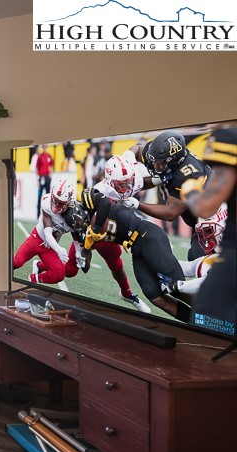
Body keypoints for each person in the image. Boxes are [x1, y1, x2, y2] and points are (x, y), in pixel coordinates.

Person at [75, 188, 187, 320]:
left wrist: (93, 231)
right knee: (154, 295)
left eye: (80, 219)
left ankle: (210, 314)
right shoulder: (89, 231)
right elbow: (86, 268)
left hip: (147, 235)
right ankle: (195, 321)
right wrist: (85, 250)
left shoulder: (103, 211)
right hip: (135, 248)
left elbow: (104, 206)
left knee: (177, 287)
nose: (81, 223)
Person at [181, 125, 237, 338]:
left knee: (204, 327)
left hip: (233, 259)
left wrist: (192, 191)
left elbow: (206, 207)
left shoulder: (230, 138)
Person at [137, 131, 223, 260]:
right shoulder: (157, 153)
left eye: (160, 163)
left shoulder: (188, 175)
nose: (155, 166)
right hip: (199, 216)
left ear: (173, 161)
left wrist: (135, 204)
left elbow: (170, 213)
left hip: (213, 218)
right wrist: (127, 158)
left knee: (198, 257)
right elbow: (137, 150)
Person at [13, 179, 74, 284]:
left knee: (59, 274)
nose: (55, 204)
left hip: (49, 248)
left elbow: (77, 237)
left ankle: (34, 278)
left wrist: (80, 252)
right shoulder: (47, 202)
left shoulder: (74, 215)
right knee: (17, 262)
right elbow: (47, 233)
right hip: (37, 239)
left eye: (60, 203)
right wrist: (58, 249)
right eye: (55, 200)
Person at [32, 144, 54, 218]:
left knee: (48, 197)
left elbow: (52, 165)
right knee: (39, 196)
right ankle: (38, 214)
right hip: (41, 177)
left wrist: (51, 174)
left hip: (47, 177)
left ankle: (48, 214)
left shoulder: (49, 156)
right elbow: (37, 168)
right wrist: (37, 179)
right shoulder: (40, 156)